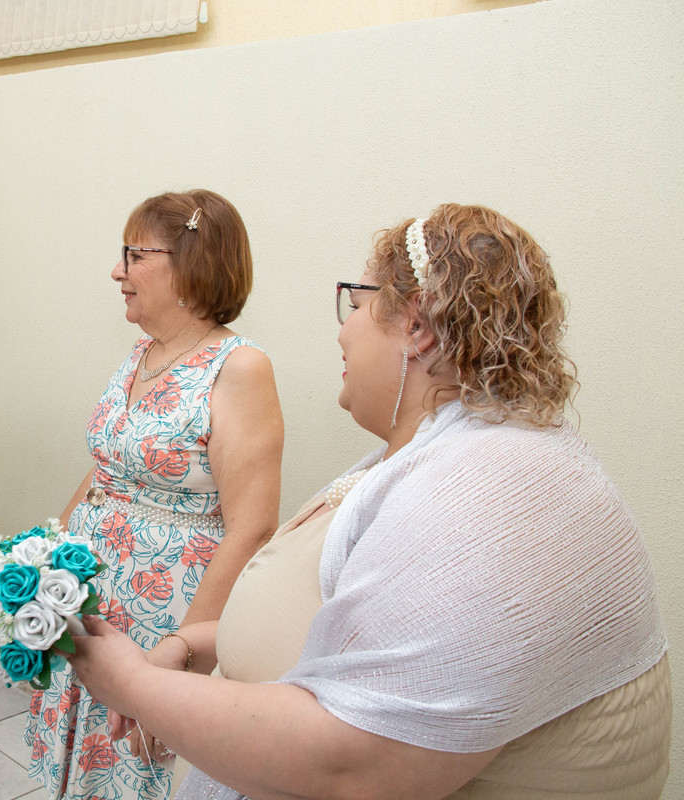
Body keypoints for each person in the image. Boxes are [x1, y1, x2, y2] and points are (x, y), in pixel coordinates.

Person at [68, 203, 670, 800]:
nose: (342, 330)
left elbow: (353, 762)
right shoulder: (454, 453)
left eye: (355, 304)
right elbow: (365, 632)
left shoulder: (485, 497)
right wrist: (194, 644)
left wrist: (132, 686)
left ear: (417, 325)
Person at [25, 190, 285, 799]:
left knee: (140, 767)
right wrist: (39, 562)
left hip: (165, 610)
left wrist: (181, 660)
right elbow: (105, 471)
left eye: (134, 255)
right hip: (92, 597)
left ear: (192, 264)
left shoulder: (240, 367)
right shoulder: (142, 353)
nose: (117, 272)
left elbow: (252, 527)